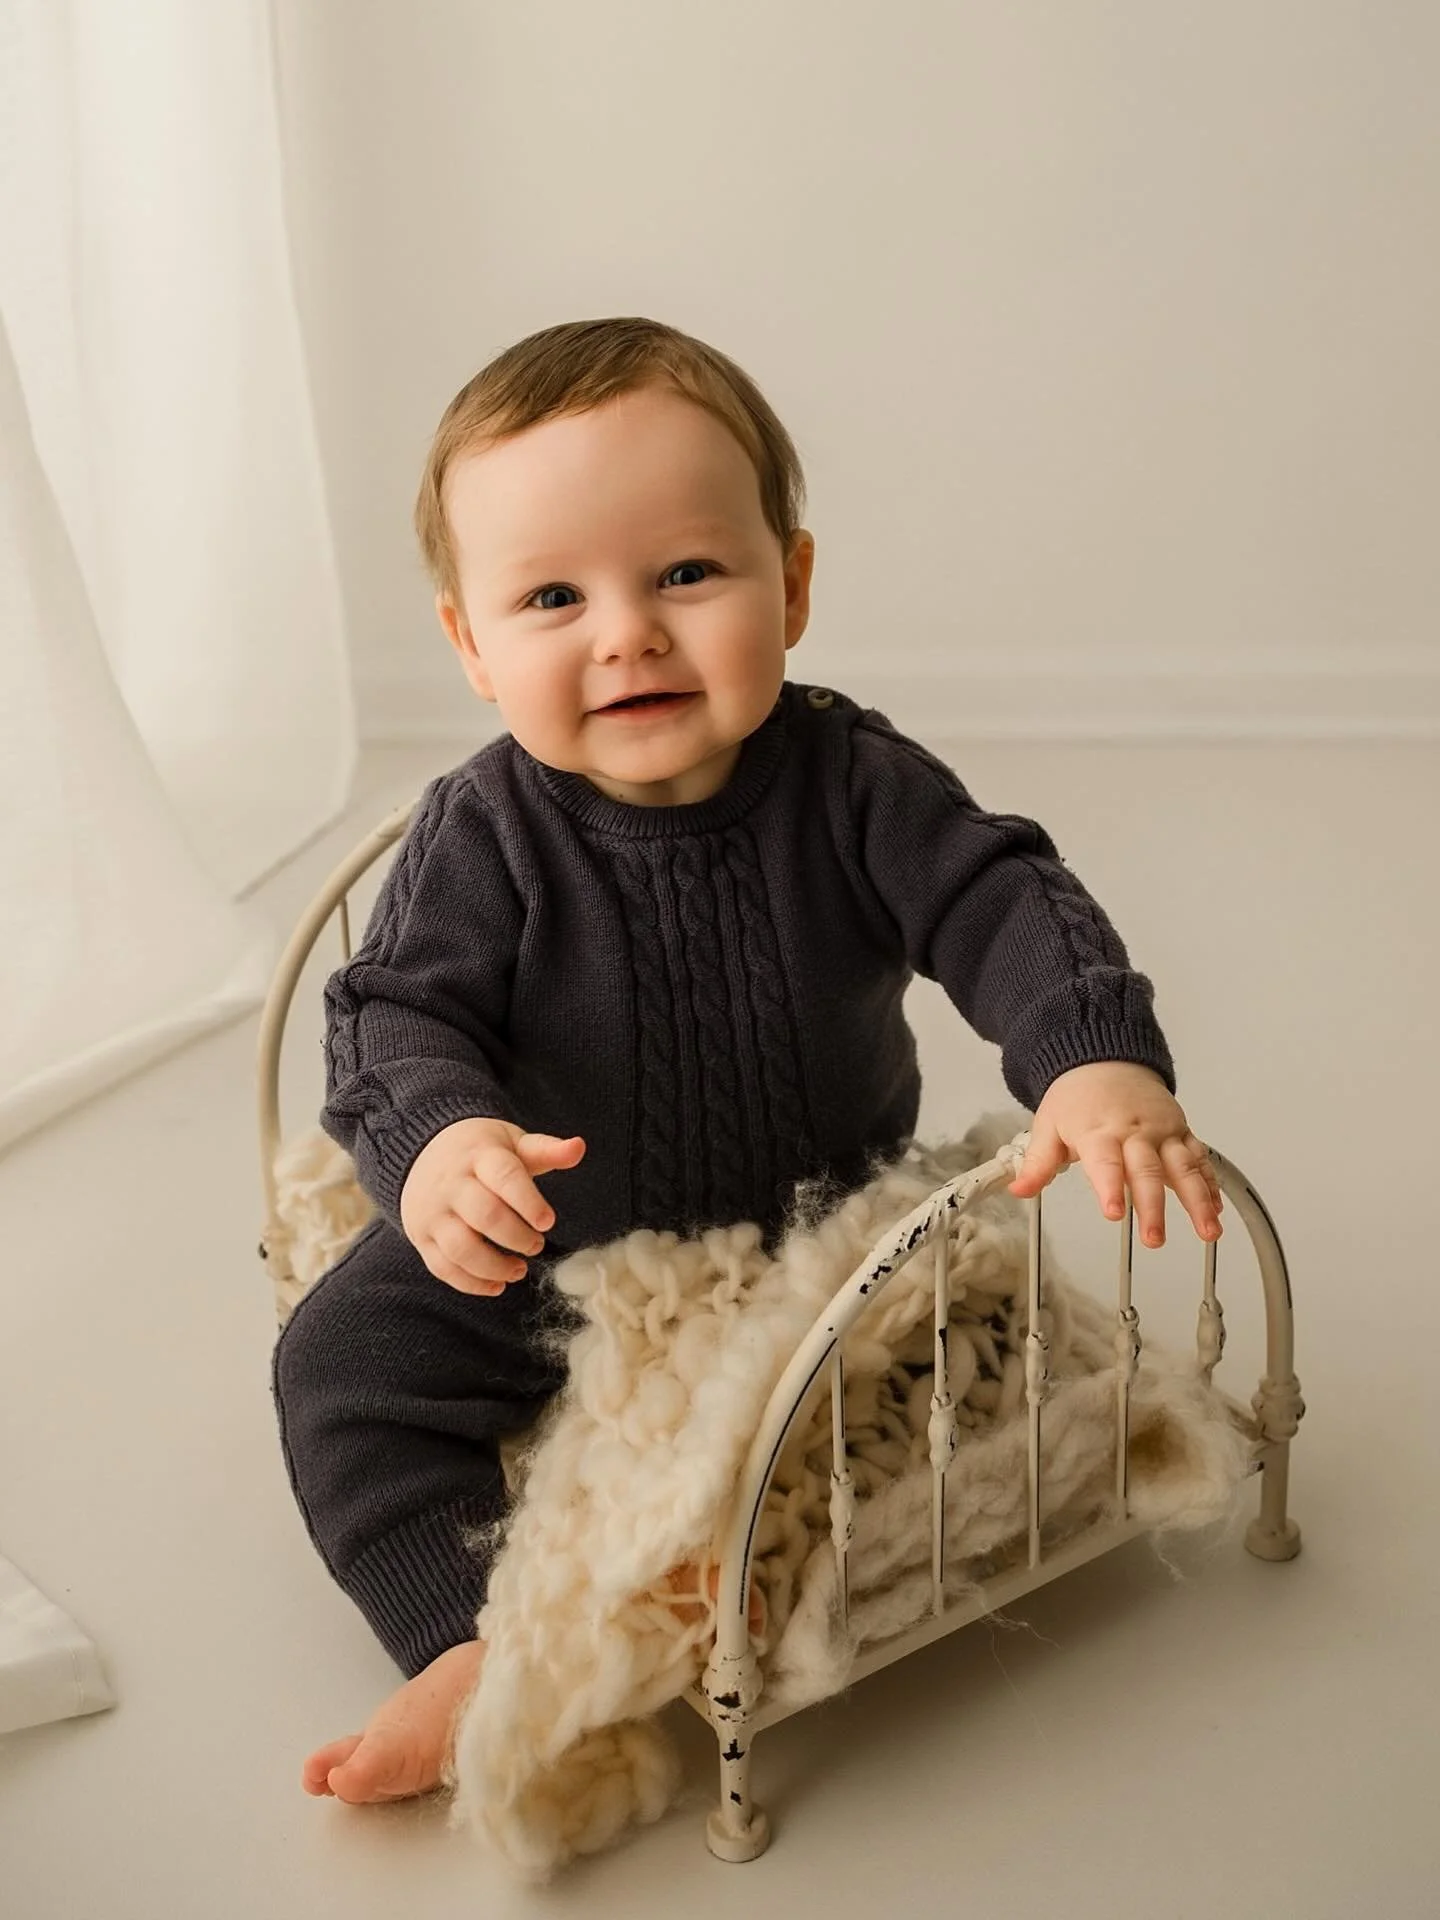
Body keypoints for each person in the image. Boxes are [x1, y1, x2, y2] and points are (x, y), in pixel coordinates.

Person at [272, 316, 1224, 1807]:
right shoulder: (488, 833)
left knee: (893, 1386)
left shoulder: (853, 780)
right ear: (471, 645)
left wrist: (1088, 1060)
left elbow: (1001, 898)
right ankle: (457, 1640)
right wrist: (445, 1147)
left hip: (822, 1229)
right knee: (341, 1360)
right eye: (550, 597)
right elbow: (393, 1016)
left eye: (687, 575)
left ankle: (733, 1551)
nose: (625, 632)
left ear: (792, 580)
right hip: (554, 1232)